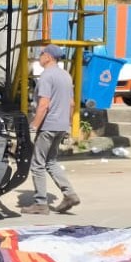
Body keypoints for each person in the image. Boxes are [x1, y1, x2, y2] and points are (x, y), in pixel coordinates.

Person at [24, 45, 81, 215]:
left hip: (48, 125)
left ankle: (41, 203)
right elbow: (71, 104)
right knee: (51, 162)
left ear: (48, 57)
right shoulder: (65, 75)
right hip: (61, 125)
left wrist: (34, 125)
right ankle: (70, 194)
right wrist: (68, 124)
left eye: (41, 54)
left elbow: (44, 104)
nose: (39, 57)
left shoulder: (47, 76)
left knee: (37, 164)